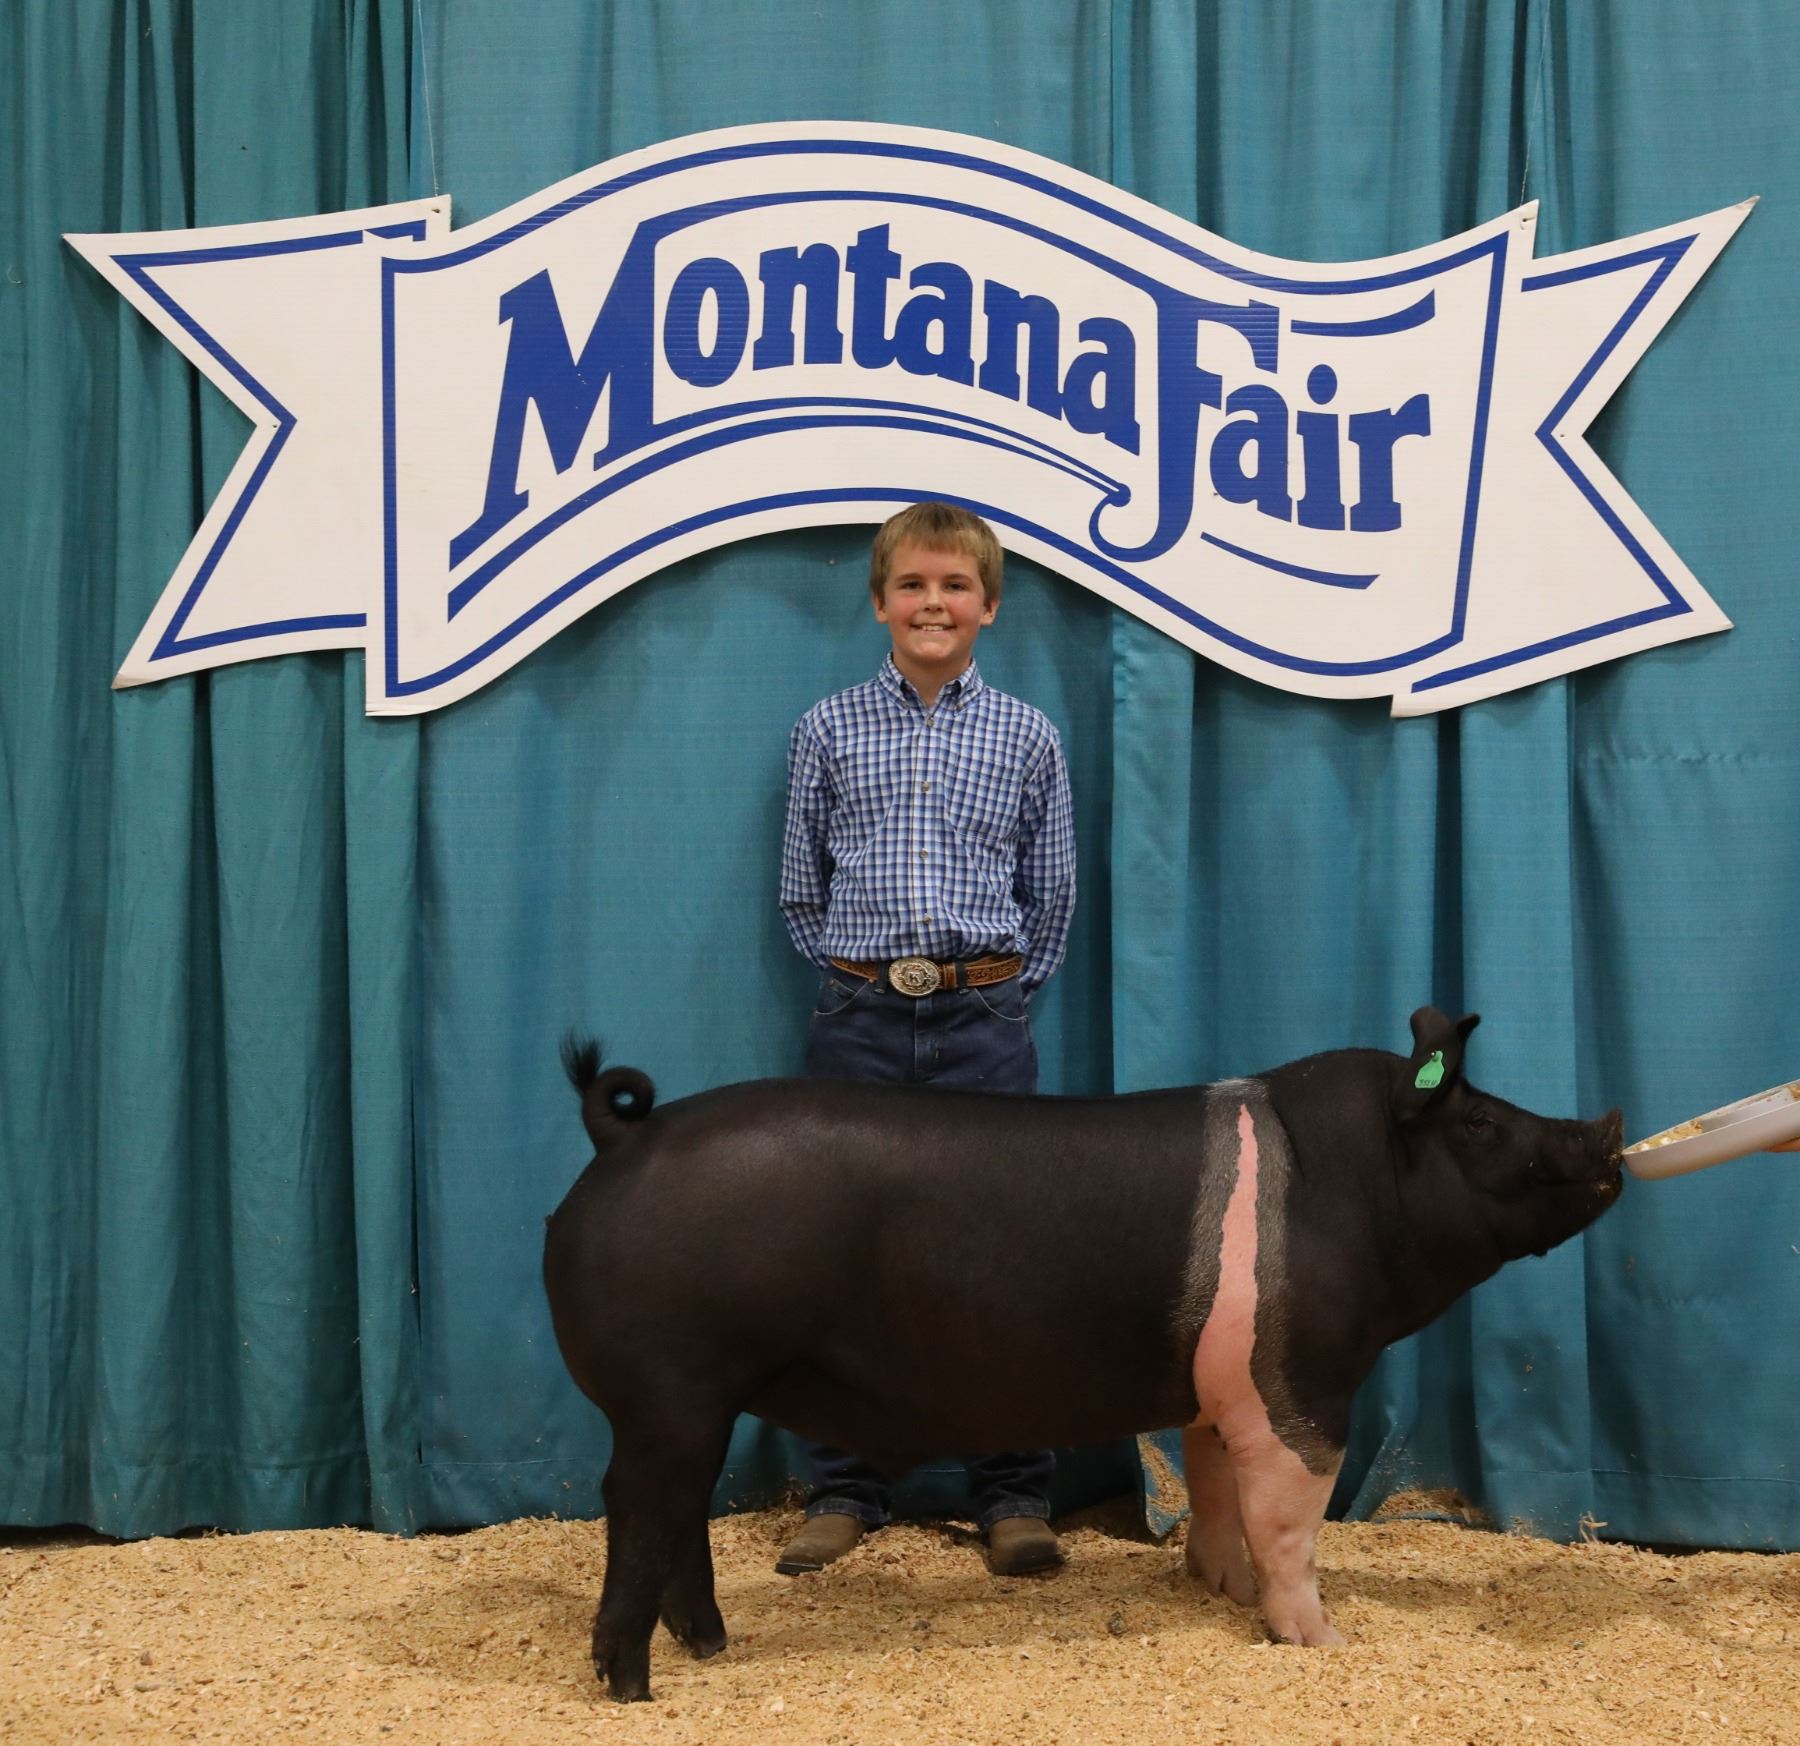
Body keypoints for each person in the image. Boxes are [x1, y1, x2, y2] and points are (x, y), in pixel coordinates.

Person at [776, 501, 1077, 1578]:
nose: (933, 603)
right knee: (841, 1253)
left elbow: (1052, 896)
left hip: (983, 1020)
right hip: (858, 1019)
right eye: (912, 585)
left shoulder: (1029, 737)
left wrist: (992, 992)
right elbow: (801, 891)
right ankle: (845, 1488)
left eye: (955, 585)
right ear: (879, 603)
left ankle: (1013, 1492)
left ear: (989, 606)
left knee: (1005, 1257)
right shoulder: (827, 728)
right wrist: (863, 982)